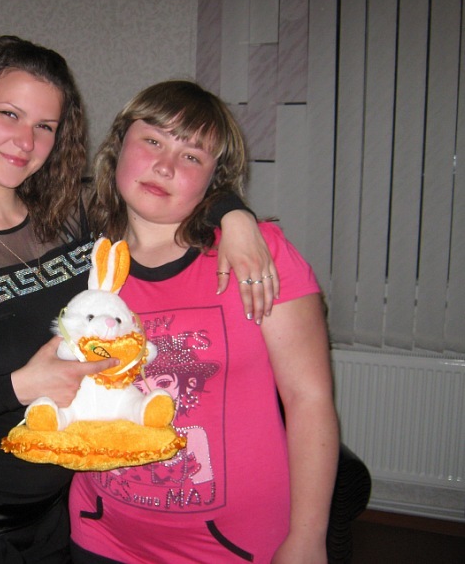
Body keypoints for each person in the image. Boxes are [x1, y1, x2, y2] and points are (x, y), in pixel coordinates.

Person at [0, 36, 277, 563]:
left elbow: (161, 181)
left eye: (45, 126)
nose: (26, 141)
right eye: (9, 114)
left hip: (58, 521)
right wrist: (18, 386)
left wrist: (236, 216)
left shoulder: (71, 216)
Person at [69, 81, 340, 564]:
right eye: (153, 140)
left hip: (232, 546)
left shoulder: (257, 257)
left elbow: (309, 399)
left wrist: (307, 537)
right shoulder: (85, 262)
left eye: (192, 156)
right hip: (100, 532)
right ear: (118, 146)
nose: (165, 166)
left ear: (214, 178)